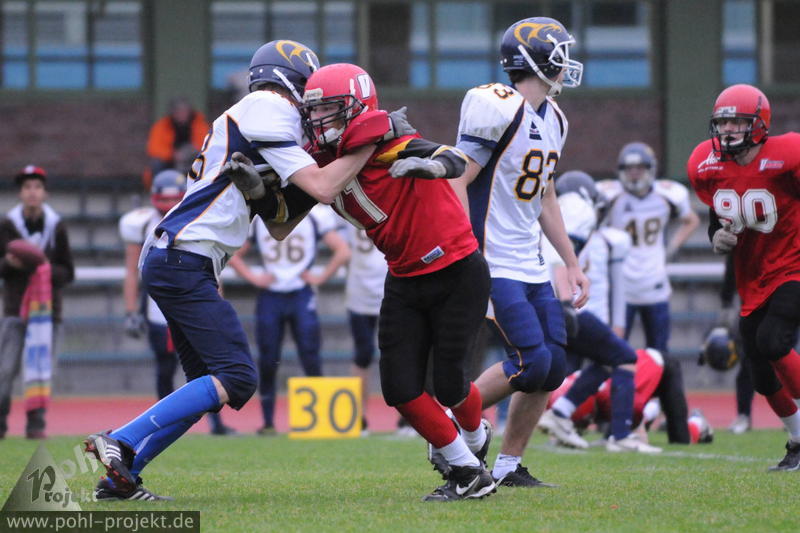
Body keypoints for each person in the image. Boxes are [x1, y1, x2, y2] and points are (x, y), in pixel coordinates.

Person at [83, 40, 411, 501]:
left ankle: (122, 477)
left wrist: (270, 192)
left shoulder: (257, 124)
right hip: (184, 257)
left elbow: (280, 225)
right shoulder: (268, 106)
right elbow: (322, 186)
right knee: (237, 376)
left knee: (207, 385)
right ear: (290, 82)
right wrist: (368, 143)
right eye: (310, 96)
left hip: (181, 258)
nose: (313, 109)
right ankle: (120, 440)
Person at [297, 62, 495, 501]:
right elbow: (284, 205)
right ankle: (467, 470)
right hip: (404, 276)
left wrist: (433, 167)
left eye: (328, 108)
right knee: (401, 389)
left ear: (357, 106)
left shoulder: (387, 142)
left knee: (449, 384)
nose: (318, 119)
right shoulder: (321, 163)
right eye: (314, 110)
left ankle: (476, 438)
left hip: (455, 269)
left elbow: (454, 158)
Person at [441, 17, 589, 488]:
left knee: (553, 368)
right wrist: (465, 248)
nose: (567, 62)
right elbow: (457, 177)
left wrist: (571, 261)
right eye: (560, 53)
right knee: (531, 361)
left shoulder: (555, 118)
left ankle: (508, 465)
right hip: (491, 256)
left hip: (531, 260)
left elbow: (546, 195)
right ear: (537, 59)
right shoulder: (496, 105)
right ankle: (448, 429)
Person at [688, 83, 800, 471]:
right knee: (758, 371)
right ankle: (797, 440)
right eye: (723, 123)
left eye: (737, 122)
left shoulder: (788, 154)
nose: (728, 130)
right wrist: (715, 236)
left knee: (773, 340)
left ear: (759, 124)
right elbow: (716, 216)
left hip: (793, 263)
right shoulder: (706, 164)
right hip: (752, 275)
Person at [537, 171, 658, 453]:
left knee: (606, 360)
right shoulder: (577, 208)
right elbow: (559, 259)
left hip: (543, 300)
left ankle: (560, 414)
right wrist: (565, 302)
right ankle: (620, 435)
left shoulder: (558, 211)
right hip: (563, 303)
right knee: (625, 357)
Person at [118, 169, 236, 439]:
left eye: (174, 198)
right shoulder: (141, 224)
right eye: (165, 199)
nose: (169, 204)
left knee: (208, 367)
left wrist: (216, 303)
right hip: (159, 308)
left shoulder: (198, 219)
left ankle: (215, 424)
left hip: (194, 304)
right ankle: (161, 424)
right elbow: (131, 270)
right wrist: (130, 310)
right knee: (165, 368)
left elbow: (211, 269)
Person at [597, 141, 699, 444]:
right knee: (617, 354)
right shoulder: (610, 195)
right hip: (623, 286)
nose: (634, 173)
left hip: (654, 284)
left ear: (651, 169)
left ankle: (653, 414)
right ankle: (616, 416)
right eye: (629, 168)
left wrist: (671, 248)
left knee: (660, 357)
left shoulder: (668, 194)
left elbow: (691, 219)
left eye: (639, 168)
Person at [228, 204, 350, 435]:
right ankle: (268, 422)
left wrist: (320, 277)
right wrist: (254, 278)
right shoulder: (262, 215)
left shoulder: (315, 214)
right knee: (268, 359)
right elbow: (233, 254)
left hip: (300, 293)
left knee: (310, 355)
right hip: (272, 295)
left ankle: (320, 420)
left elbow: (343, 250)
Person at [0, 166, 74, 439]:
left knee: (43, 371)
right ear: (20, 193)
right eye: (27, 187)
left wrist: (42, 268)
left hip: (48, 311)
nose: (32, 192)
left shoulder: (56, 226)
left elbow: (68, 271)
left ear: (45, 193)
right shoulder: (8, 226)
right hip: (15, 308)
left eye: (37, 187)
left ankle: (36, 424)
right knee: (5, 369)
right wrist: (10, 264)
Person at [547, 348, 713, 447]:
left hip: (663, 368)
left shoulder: (610, 395)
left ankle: (698, 422)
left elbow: (639, 433)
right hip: (636, 377)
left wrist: (638, 431)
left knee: (680, 439)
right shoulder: (575, 386)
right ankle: (654, 413)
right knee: (613, 433)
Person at [343, 224, 388, 434]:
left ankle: (407, 417)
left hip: (391, 288)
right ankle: (358, 415)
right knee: (362, 354)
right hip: (360, 291)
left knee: (398, 354)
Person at [144, 97, 210, 189]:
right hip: (170, 162)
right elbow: (153, 149)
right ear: (173, 112)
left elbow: (207, 145)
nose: (182, 114)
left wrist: (190, 152)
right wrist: (173, 155)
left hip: (193, 160)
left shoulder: (200, 124)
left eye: (184, 111)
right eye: (178, 111)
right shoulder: (162, 126)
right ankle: (159, 189)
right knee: (157, 164)